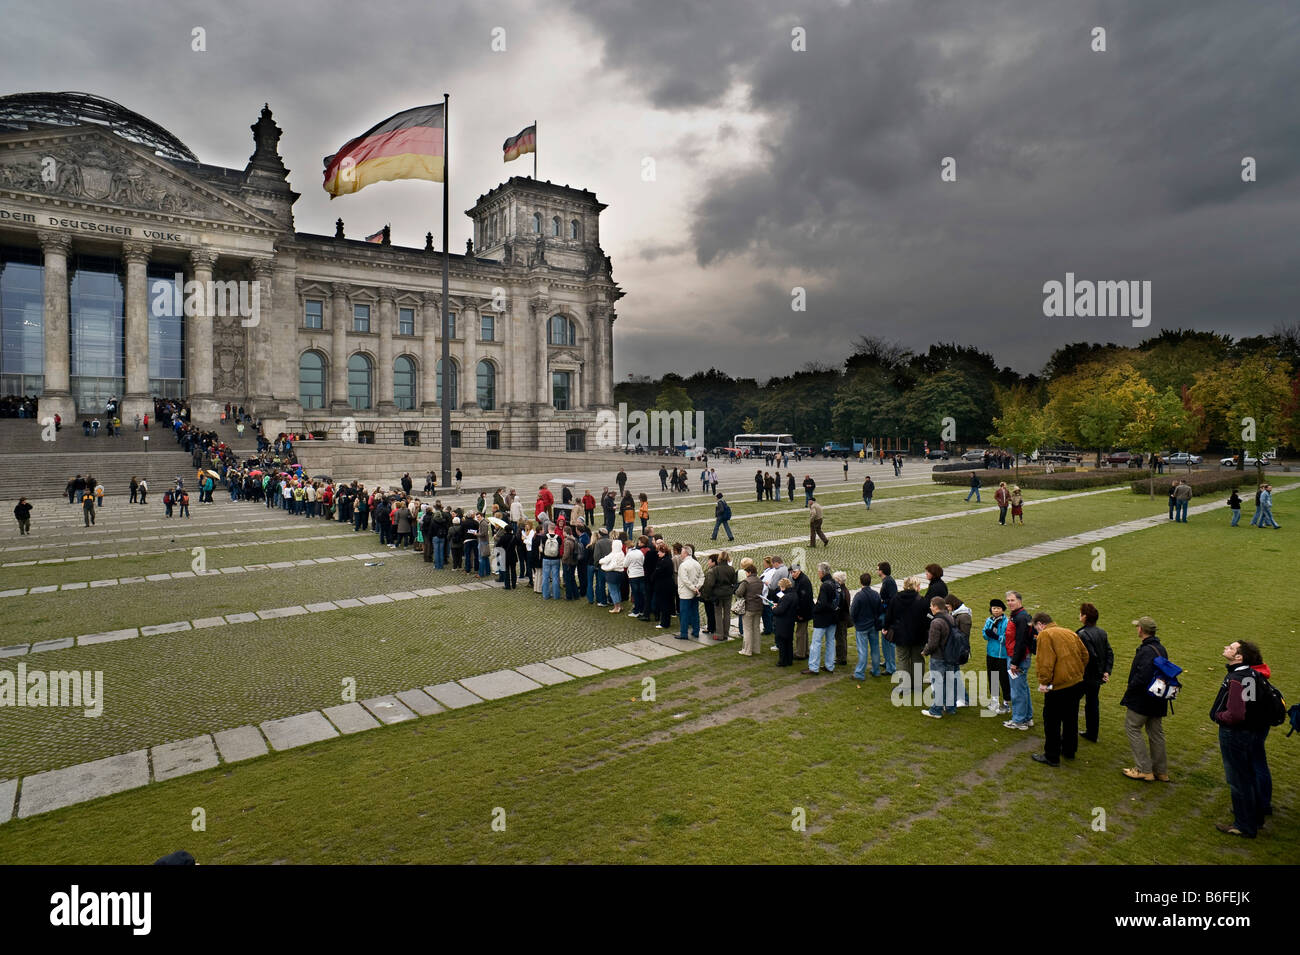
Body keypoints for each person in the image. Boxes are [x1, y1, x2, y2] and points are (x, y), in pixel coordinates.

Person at [1210, 640, 1273, 838]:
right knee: (1248, 775)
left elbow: (1236, 713)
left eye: (1230, 648)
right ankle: (1255, 817)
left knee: (1238, 780)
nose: (1225, 648)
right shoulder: (1251, 674)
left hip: (1234, 733)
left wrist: (1218, 716)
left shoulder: (1237, 678)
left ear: (1239, 657)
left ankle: (1244, 824)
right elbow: (1251, 705)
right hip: (1248, 732)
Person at [1029, 613, 1090, 766]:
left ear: (1040, 624)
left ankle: (1051, 755)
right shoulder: (1069, 632)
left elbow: (1045, 662)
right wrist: (1077, 671)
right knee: (1071, 718)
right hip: (1076, 682)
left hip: (1058, 686)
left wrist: (1044, 681)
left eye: (1036, 628)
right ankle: (1069, 750)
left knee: (1052, 721)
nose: (1036, 631)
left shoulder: (1045, 635)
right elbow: (1085, 655)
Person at [1119, 616, 1171, 783]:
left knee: (1133, 727)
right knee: (1156, 733)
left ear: (1141, 630)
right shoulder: (1160, 648)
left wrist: (1130, 688)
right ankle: (1161, 771)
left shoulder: (1146, 651)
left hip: (1143, 699)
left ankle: (1144, 769)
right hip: (1158, 698)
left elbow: (1142, 677)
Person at [1076, 603, 1113, 742]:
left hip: (1085, 676)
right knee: (1092, 704)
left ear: (1085, 616)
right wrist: (1106, 671)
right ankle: (1092, 733)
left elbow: (1090, 657)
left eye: (1080, 613)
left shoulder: (1082, 634)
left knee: (1072, 703)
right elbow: (1109, 653)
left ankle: (1069, 733)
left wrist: (1100, 672)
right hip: (1096, 677)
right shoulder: (1101, 632)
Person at [921, 596, 957, 717]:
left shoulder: (936, 622)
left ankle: (936, 710)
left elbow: (932, 644)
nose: (930, 608)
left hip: (939, 658)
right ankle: (950, 708)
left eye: (931, 605)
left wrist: (925, 651)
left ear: (936, 607)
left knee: (938, 684)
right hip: (951, 655)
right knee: (949, 683)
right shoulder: (951, 617)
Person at [1004, 591, 1035, 730]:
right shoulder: (1019, 615)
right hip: (1019, 656)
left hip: (1018, 658)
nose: (1010, 603)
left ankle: (1019, 720)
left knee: (1017, 690)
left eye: (1012, 600)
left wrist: (1015, 662)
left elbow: (1021, 641)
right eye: (1008, 600)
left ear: (1019, 601)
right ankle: (1027, 717)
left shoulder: (1020, 618)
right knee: (1022, 687)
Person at [802, 562, 839, 675]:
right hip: (833, 617)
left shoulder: (825, 585)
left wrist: (814, 610)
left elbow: (822, 603)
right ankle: (830, 666)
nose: (818, 574)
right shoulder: (835, 583)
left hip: (823, 619)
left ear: (822, 573)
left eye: (818, 572)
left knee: (816, 643)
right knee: (830, 642)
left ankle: (813, 667)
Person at [851, 572, 885, 679]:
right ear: (870, 582)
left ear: (861, 582)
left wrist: (855, 621)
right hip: (873, 625)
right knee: (875, 648)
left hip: (862, 626)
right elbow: (880, 609)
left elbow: (853, 611)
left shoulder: (859, 596)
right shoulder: (876, 594)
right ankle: (876, 670)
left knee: (863, 650)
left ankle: (860, 673)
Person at [982, 599, 1011, 714]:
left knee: (1004, 679)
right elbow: (985, 634)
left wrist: (996, 636)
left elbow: (1007, 639)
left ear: (1003, 610)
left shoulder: (1007, 622)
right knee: (993, 676)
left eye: (998, 608)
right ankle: (994, 700)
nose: (996, 610)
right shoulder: (989, 620)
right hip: (991, 654)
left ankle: (1006, 703)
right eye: (994, 608)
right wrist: (988, 634)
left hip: (1002, 655)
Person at [735, 558, 765, 655]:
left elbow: (738, 593)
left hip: (748, 608)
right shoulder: (760, 581)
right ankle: (756, 649)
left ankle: (747, 650)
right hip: (759, 607)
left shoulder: (746, 582)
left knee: (747, 629)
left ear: (749, 572)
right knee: (756, 628)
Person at [676, 545, 704, 639]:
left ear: (685, 553)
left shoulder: (683, 565)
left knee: (684, 614)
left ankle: (684, 633)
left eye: (681, 552)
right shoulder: (697, 564)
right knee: (695, 612)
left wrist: (693, 588)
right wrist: (697, 587)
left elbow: (685, 580)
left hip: (685, 593)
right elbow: (702, 577)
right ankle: (696, 631)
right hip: (695, 592)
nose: (680, 554)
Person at [710, 551, 737, 641]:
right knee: (727, 613)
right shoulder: (731, 569)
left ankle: (719, 634)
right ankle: (726, 633)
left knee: (718, 613)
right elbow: (734, 582)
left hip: (718, 594)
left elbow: (712, 583)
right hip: (728, 593)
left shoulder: (716, 569)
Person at [770, 576, 796, 666]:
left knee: (782, 642)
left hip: (783, 622)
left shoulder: (786, 597)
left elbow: (780, 611)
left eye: (781, 587)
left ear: (784, 587)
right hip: (790, 621)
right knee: (789, 642)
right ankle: (789, 660)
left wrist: (774, 608)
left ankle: (782, 661)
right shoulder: (794, 594)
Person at [790, 564, 814, 660]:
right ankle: (805, 651)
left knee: (800, 632)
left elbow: (804, 600)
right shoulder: (801, 579)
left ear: (799, 571)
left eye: (794, 572)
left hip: (804, 611)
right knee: (803, 632)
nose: (792, 575)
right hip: (805, 611)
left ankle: (800, 653)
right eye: (791, 573)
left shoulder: (803, 581)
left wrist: (800, 614)